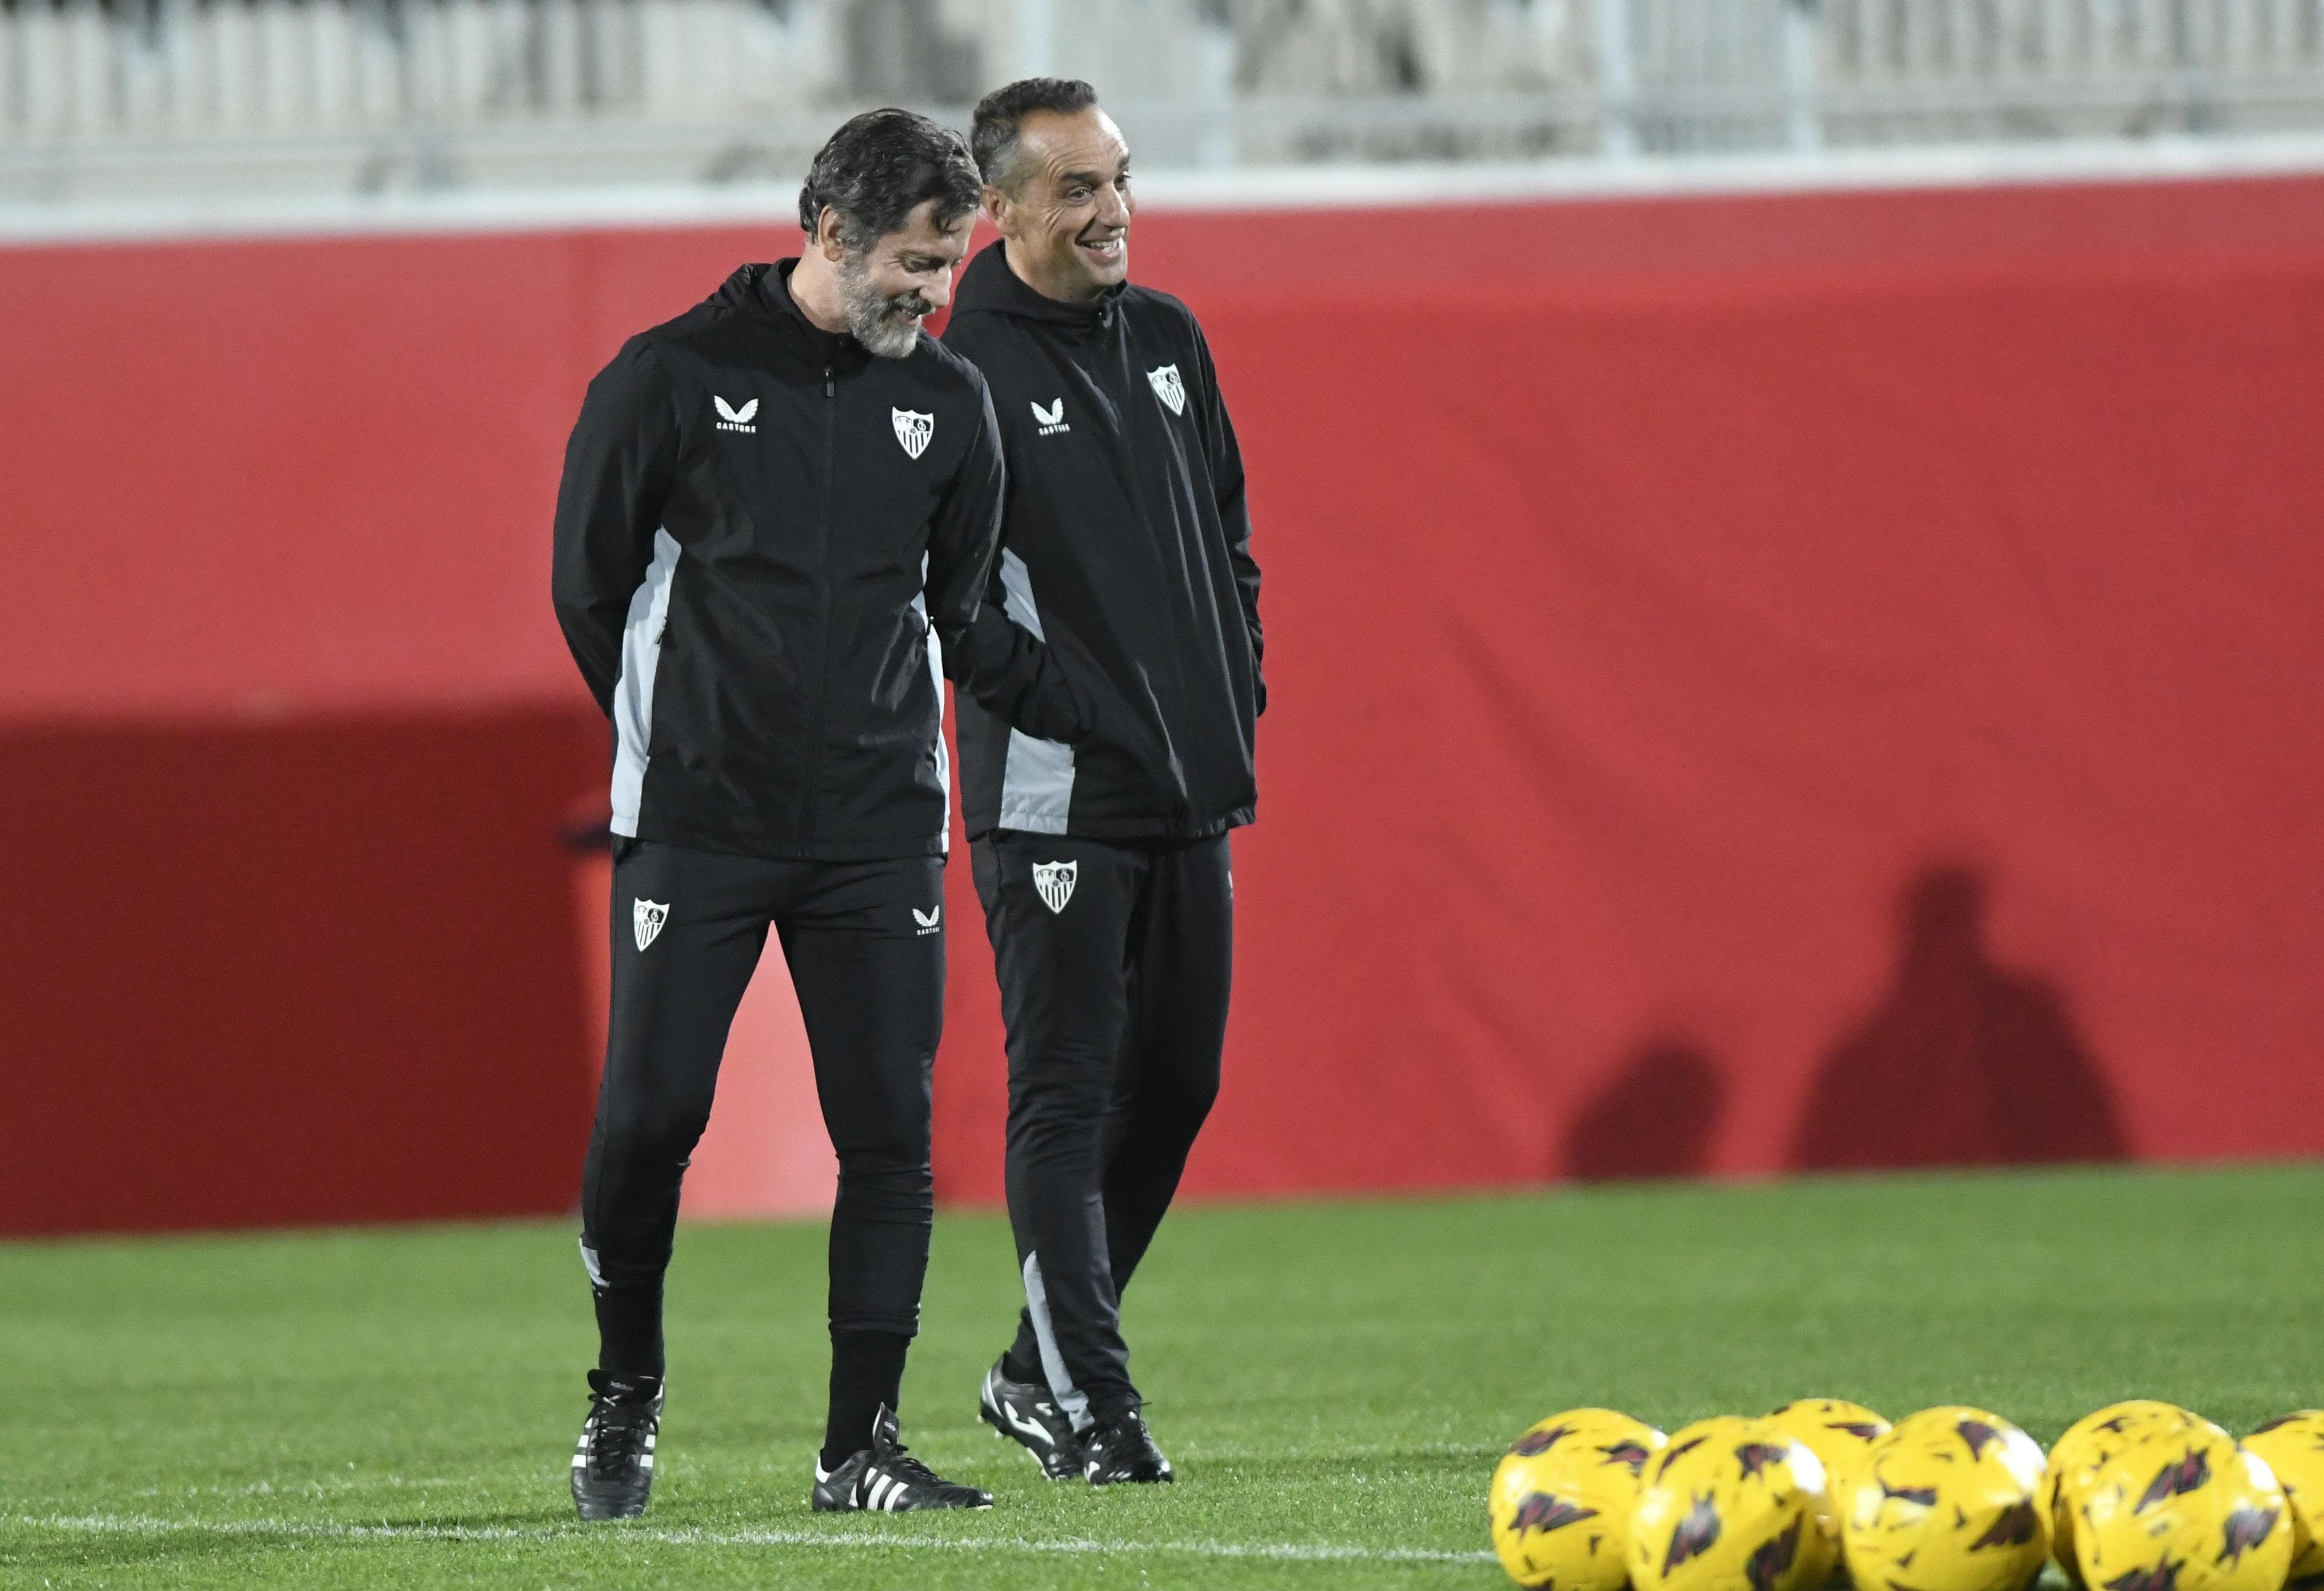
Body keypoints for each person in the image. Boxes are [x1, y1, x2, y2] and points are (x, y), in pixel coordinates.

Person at [549, 108, 1004, 1519]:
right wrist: (684, 734)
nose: (936, 293)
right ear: (830, 231)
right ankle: (625, 1388)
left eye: (951, 263)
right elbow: (586, 584)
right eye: (916, 263)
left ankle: (858, 1445)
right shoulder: (671, 376)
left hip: (879, 826)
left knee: (889, 1134)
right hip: (700, 820)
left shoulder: (953, 405)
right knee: (650, 1121)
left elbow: (957, 607)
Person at [939, 77, 1265, 1486]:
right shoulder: (958, 376)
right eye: (1075, 188)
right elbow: (950, 604)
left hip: (1187, 790)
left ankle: (1030, 1369)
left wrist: (1235, 681)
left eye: (1119, 177)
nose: (1112, 209)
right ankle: (1091, 1404)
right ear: (999, 210)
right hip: (1053, 801)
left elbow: (1229, 536)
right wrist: (1068, 708)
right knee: (1065, 1097)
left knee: (1178, 1083)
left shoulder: (1173, 337)